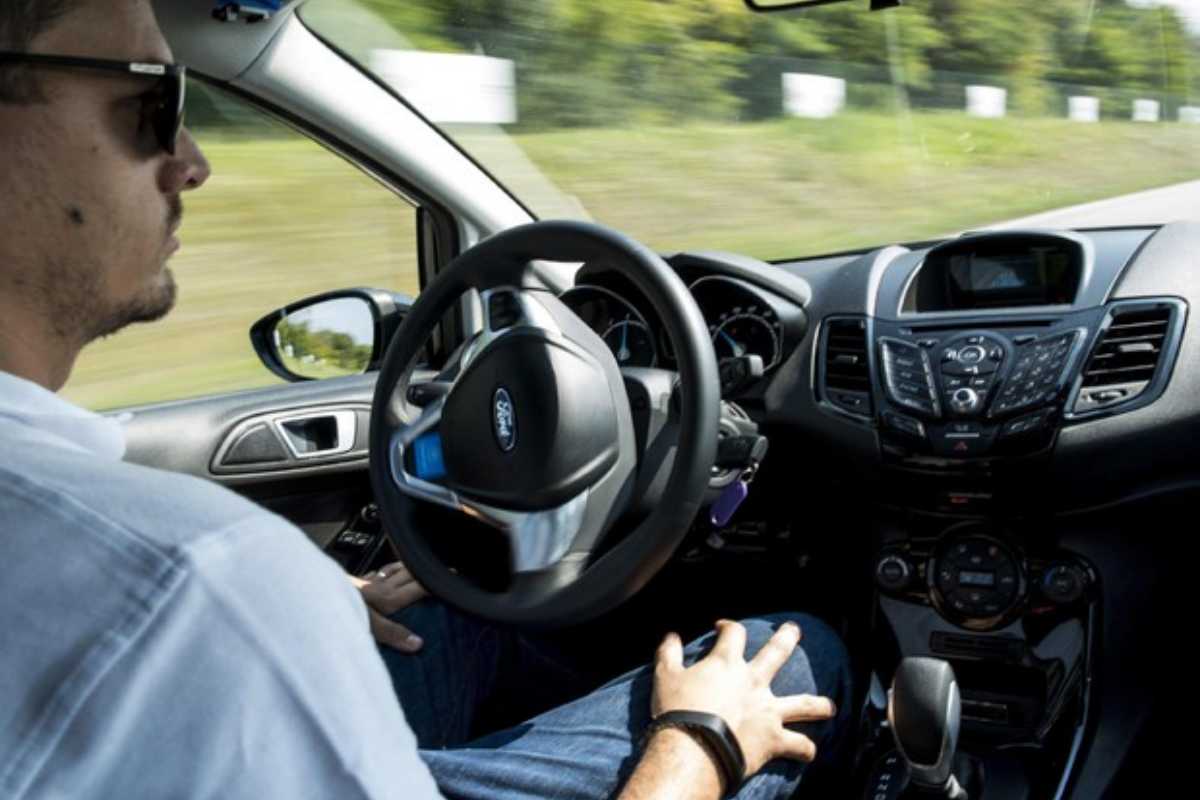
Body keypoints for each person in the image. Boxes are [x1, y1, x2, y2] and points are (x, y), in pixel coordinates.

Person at [0, 2, 852, 798]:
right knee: (797, 658)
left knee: (452, 605)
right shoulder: (201, 582)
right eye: (154, 104)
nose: (194, 160)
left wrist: (307, 614)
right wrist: (696, 740)